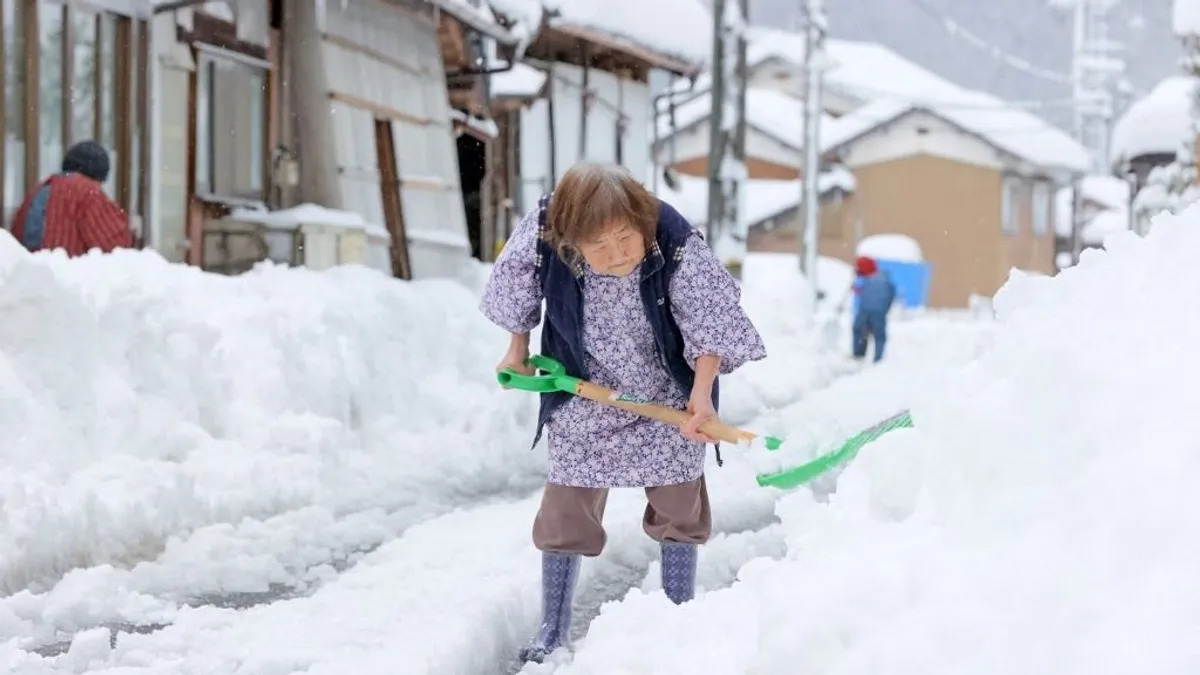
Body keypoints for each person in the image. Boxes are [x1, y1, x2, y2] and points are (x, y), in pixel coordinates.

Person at [480, 161, 766, 664]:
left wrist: (701, 394)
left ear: (640, 220)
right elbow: (515, 285)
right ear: (571, 240)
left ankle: (679, 612)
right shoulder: (548, 227)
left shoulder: (670, 234)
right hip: (583, 386)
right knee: (566, 509)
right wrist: (516, 346)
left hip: (666, 390)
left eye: (624, 238)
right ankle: (553, 626)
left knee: (680, 504)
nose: (616, 255)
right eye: (598, 245)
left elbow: (709, 317)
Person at [9, 140, 132, 257]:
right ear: (98, 175)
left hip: (29, 274)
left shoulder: (40, 189)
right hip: (68, 275)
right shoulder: (89, 194)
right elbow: (115, 245)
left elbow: (15, 237)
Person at [851, 255, 897, 362]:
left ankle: (860, 354)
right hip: (875, 311)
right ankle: (877, 357)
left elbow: (889, 293)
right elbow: (891, 294)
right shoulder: (876, 277)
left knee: (861, 331)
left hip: (870, 311)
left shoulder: (874, 278)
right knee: (876, 334)